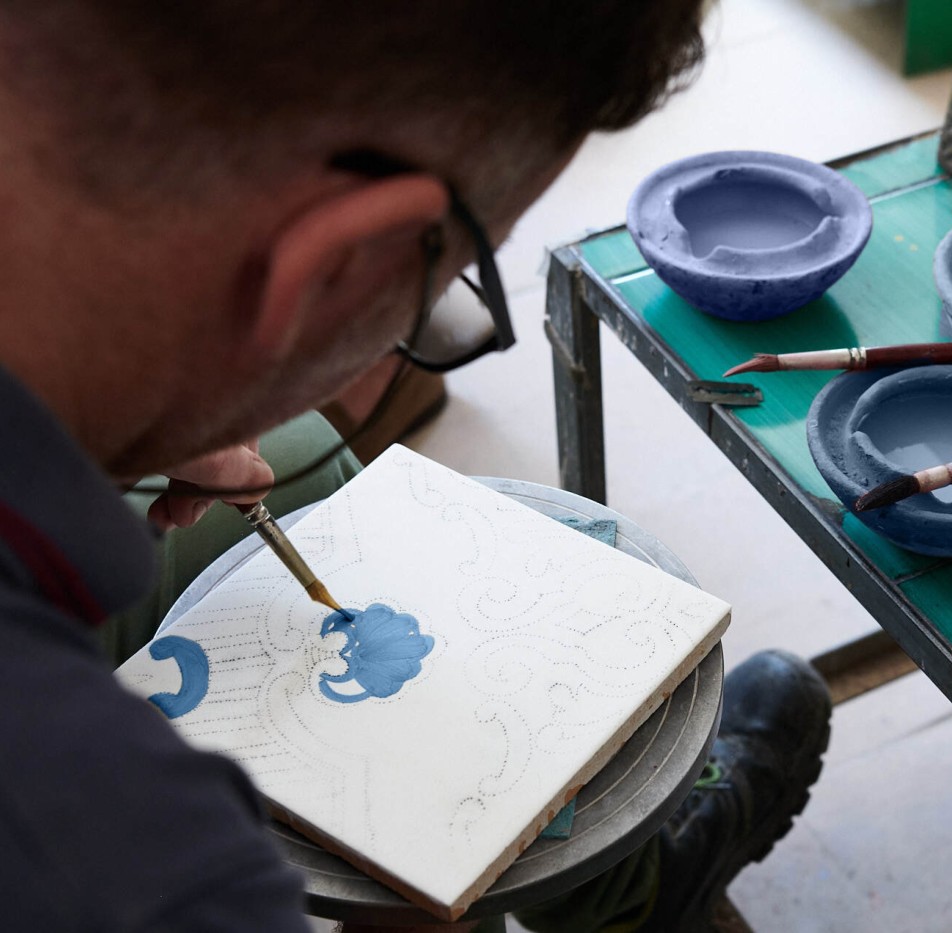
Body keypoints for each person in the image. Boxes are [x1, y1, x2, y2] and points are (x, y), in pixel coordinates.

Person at [0, 2, 832, 931]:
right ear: (334, 265)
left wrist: (144, 407)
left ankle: (631, 902)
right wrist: (420, 880)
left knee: (303, 462)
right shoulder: (151, 879)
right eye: (437, 293)